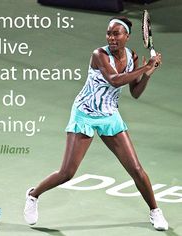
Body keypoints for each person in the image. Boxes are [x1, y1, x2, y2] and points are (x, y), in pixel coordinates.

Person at [24, 16, 168, 231]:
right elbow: (115, 80)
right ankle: (33, 195)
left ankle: (155, 211)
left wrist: (149, 71)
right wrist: (147, 65)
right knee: (67, 173)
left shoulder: (132, 57)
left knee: (136, 169)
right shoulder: (99, 55)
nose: (111, 38)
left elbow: (135, 92)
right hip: (84, 114)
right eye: (109, 33)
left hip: (109, 115)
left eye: (116, 33)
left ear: (127, 36)